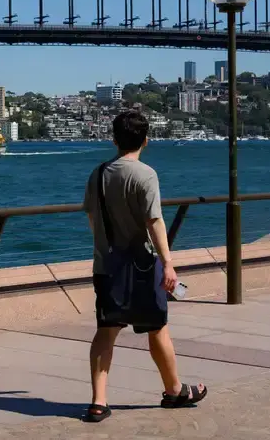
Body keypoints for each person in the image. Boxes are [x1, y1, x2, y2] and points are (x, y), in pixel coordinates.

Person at [81, 111, 206, 423]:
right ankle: (174, 390)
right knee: (157, 328)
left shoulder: (98, 173)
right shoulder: (145, 174)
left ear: (113, 139)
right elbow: (154, 221)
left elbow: (91, 218)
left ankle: (98, 401)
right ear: (146, 140)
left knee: (106, 331)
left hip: (107, 264)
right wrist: (169, 264)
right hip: (142, 264)